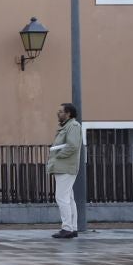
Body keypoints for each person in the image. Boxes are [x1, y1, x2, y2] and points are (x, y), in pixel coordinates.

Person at [47, 101, 83, 239]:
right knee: (68, 198)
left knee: (61, 198)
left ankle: (67, 228)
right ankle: (72, 228)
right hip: (65, 166)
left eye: (61, 111)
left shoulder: (73, 126)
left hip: (65, 167)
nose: (58, 113)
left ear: (68, 114)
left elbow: (72, 146)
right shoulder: (68, 126)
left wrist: (57, 157)